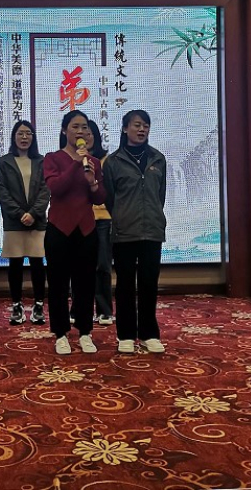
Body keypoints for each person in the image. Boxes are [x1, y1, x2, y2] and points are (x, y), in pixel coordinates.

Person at [103, 110, 167, 354]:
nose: (142, 130)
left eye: (146, 126)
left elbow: (160, 196)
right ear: (125, 128)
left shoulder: (158, 159)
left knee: (149, 284)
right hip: (125, 231)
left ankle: (149, 334)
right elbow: (110, 198)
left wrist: (153, 215)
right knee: (125, 285)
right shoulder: (113, 161)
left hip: (152, 230)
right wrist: (123, 215)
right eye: (137, 125)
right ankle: (126, 335)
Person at [43, 110, 106, 355]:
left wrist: (92, 183)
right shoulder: (53, 158)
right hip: (59, 228)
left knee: (86, 284)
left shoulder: (94, 162)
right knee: (58, 284)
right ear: (64, 131)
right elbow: (56, 188)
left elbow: (100, 198)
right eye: (75, 127)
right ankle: (60, 333)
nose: (81, 131)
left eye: (84, 127)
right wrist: (76, 163)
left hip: (86, 229)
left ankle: (85, 332)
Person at [0, 120, 49, 325]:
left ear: (33, 138)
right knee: (15, 264)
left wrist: (33, 213)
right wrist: (20, 214)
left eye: (28, 133)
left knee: (37, 264)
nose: (24, 137)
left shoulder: (42, 161)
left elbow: (46, 190)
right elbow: (2, 192)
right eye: (20, 133)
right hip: (14, 221)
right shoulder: (4, 162)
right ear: (14, 137)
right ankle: (16, 305)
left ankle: (38, 305)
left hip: (37, 221)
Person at [86, 121, 114, 326]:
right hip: (80, 219)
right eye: (80, 133)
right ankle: (79, 310)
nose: (84, 137)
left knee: (103, 266)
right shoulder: (71, 160)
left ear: (96, 136)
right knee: (79, 267)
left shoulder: (106, 161)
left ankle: (104, 311)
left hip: (103, 219)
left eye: (88, 133)